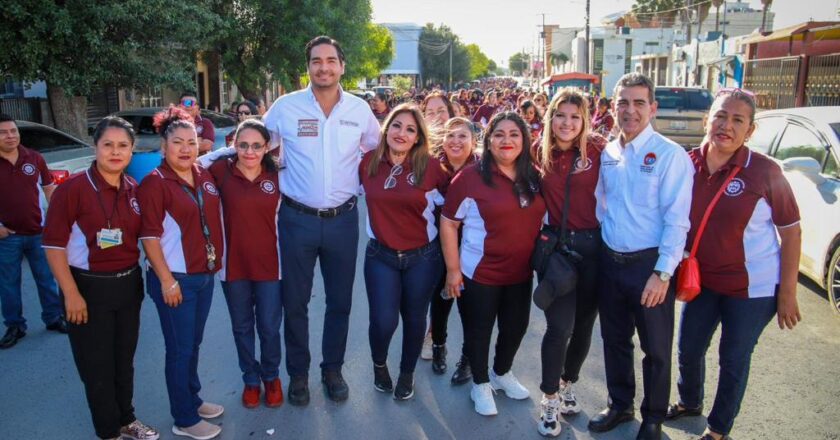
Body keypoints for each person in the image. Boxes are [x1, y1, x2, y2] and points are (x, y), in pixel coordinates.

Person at [665, 89, 802, 440]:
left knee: (733, 357)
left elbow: (791, 231)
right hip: (702, 282)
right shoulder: (686, 163)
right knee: (689, 346)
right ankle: (690, 401)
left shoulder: (765, 172)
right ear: (706, 119)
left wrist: (787, 293)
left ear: (750, 130)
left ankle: (718, 427)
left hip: (752, 288)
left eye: (738, 120)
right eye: (721, 116)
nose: (727, 126)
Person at [261, 35, 380, 406]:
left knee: (340, 302)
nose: (324, 67)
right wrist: (203, 161)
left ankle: (332, 369)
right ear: (308, 67)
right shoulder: (286, 107)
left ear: (342, 66)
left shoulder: (359, 111)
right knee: (294, 302)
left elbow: (380, 154)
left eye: (331, 60)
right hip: (296, 220)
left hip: (343, 221)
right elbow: (253, 145)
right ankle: (298, 374)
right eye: (316, 61)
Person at [590, 73, 694, 440]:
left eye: (638, 103)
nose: (630, 111)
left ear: (653, 108)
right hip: (610, 262)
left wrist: (662, 273)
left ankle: (652, 418)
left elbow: (677, 220)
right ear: (612, 106)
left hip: (649, 268)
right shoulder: (609, 152)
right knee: (615, 340)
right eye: (623, 103)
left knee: (656, 349)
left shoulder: (670, 155)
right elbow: (602, 203)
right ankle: (620, 405)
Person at [41, 116, 159, 440]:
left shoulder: (134, 189)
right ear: (96, 147)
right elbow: (53, 246)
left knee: (124, 361)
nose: (115, 152)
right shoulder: (72, 191)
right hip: (88, 289)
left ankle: (127, 420)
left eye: (123, 146)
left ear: (133, 150)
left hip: (128, 286)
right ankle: (108, 432)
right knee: (97, 368)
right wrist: (71, 293)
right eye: (108, 144)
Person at [441, 112, 545, 417]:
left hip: (521, 272)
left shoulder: (534, 175)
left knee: (515, 328)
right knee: (479, 330)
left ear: (524, 140)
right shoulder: (470, 178)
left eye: (514, 134)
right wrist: (453, 270)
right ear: (489, 141)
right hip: (481, 273)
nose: (507, 140)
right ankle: (481, 383)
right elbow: (448, 224)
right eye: (499, 134)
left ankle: (501, 373)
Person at [138, 108, 225, 440]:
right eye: (177, 143)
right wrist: (166, 280)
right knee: (180, 348)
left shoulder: (203, 174)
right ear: (164, 146)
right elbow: (148, 236)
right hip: (175, 279)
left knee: (193, 343)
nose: (186, 148)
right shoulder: (154, 183)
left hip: (203, 274)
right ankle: (184, 418)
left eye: (191, 142)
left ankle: (193, 397)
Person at [360, 104, 448, 400]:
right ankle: (379, 364)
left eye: (410, 129)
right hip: (380, 256)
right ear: (386, 129)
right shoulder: (367, 163)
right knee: (383, 321)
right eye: (397, 125)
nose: (402, 133)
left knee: (415, 318)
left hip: (422, 258)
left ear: (418, 138)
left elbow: (456, 208)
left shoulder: (432, 168)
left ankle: (407, 373)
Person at [533, 89, 607, 437]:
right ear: (550, 117)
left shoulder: (598, 149)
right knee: (559, 327)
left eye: (575, 116)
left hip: (594, 248)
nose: (567, 123)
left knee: (583, 326)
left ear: (585, 119)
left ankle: (567, 384)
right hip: (557, 252)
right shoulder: (537, 150)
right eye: (560, 115)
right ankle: (548, 400)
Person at [207, 119, 284, 410]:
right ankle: (250, 380)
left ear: (267, 147)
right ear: (233, 145)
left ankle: (272, 377)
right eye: (242, 145)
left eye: (256, 146)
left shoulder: (278, 177)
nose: (249, 152)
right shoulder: (220, 172)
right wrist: (221, 153)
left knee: (269, 327)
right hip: (233, 266)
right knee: (241, 327)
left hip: (271, 267)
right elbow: (193, 163)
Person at [0, 114, 65, 349]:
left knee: (46, 278)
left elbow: (49, 190)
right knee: (8, 283)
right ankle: (15, 325)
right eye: (4, 132)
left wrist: (56, 222)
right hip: (7, 237)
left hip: (39, 232)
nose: (10, 136)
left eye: (13, 131)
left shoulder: (34, 158)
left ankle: (53, 317)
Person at [427, 117, 479, 384]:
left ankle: (468, 359)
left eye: (463, 136)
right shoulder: (434, 168)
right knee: (441, 300)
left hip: (473, 249)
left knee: (469, 306)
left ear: (473, 142)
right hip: (439, 247)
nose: (456, 141)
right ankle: (438, 347)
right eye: (450, 135)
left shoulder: (482, 170)